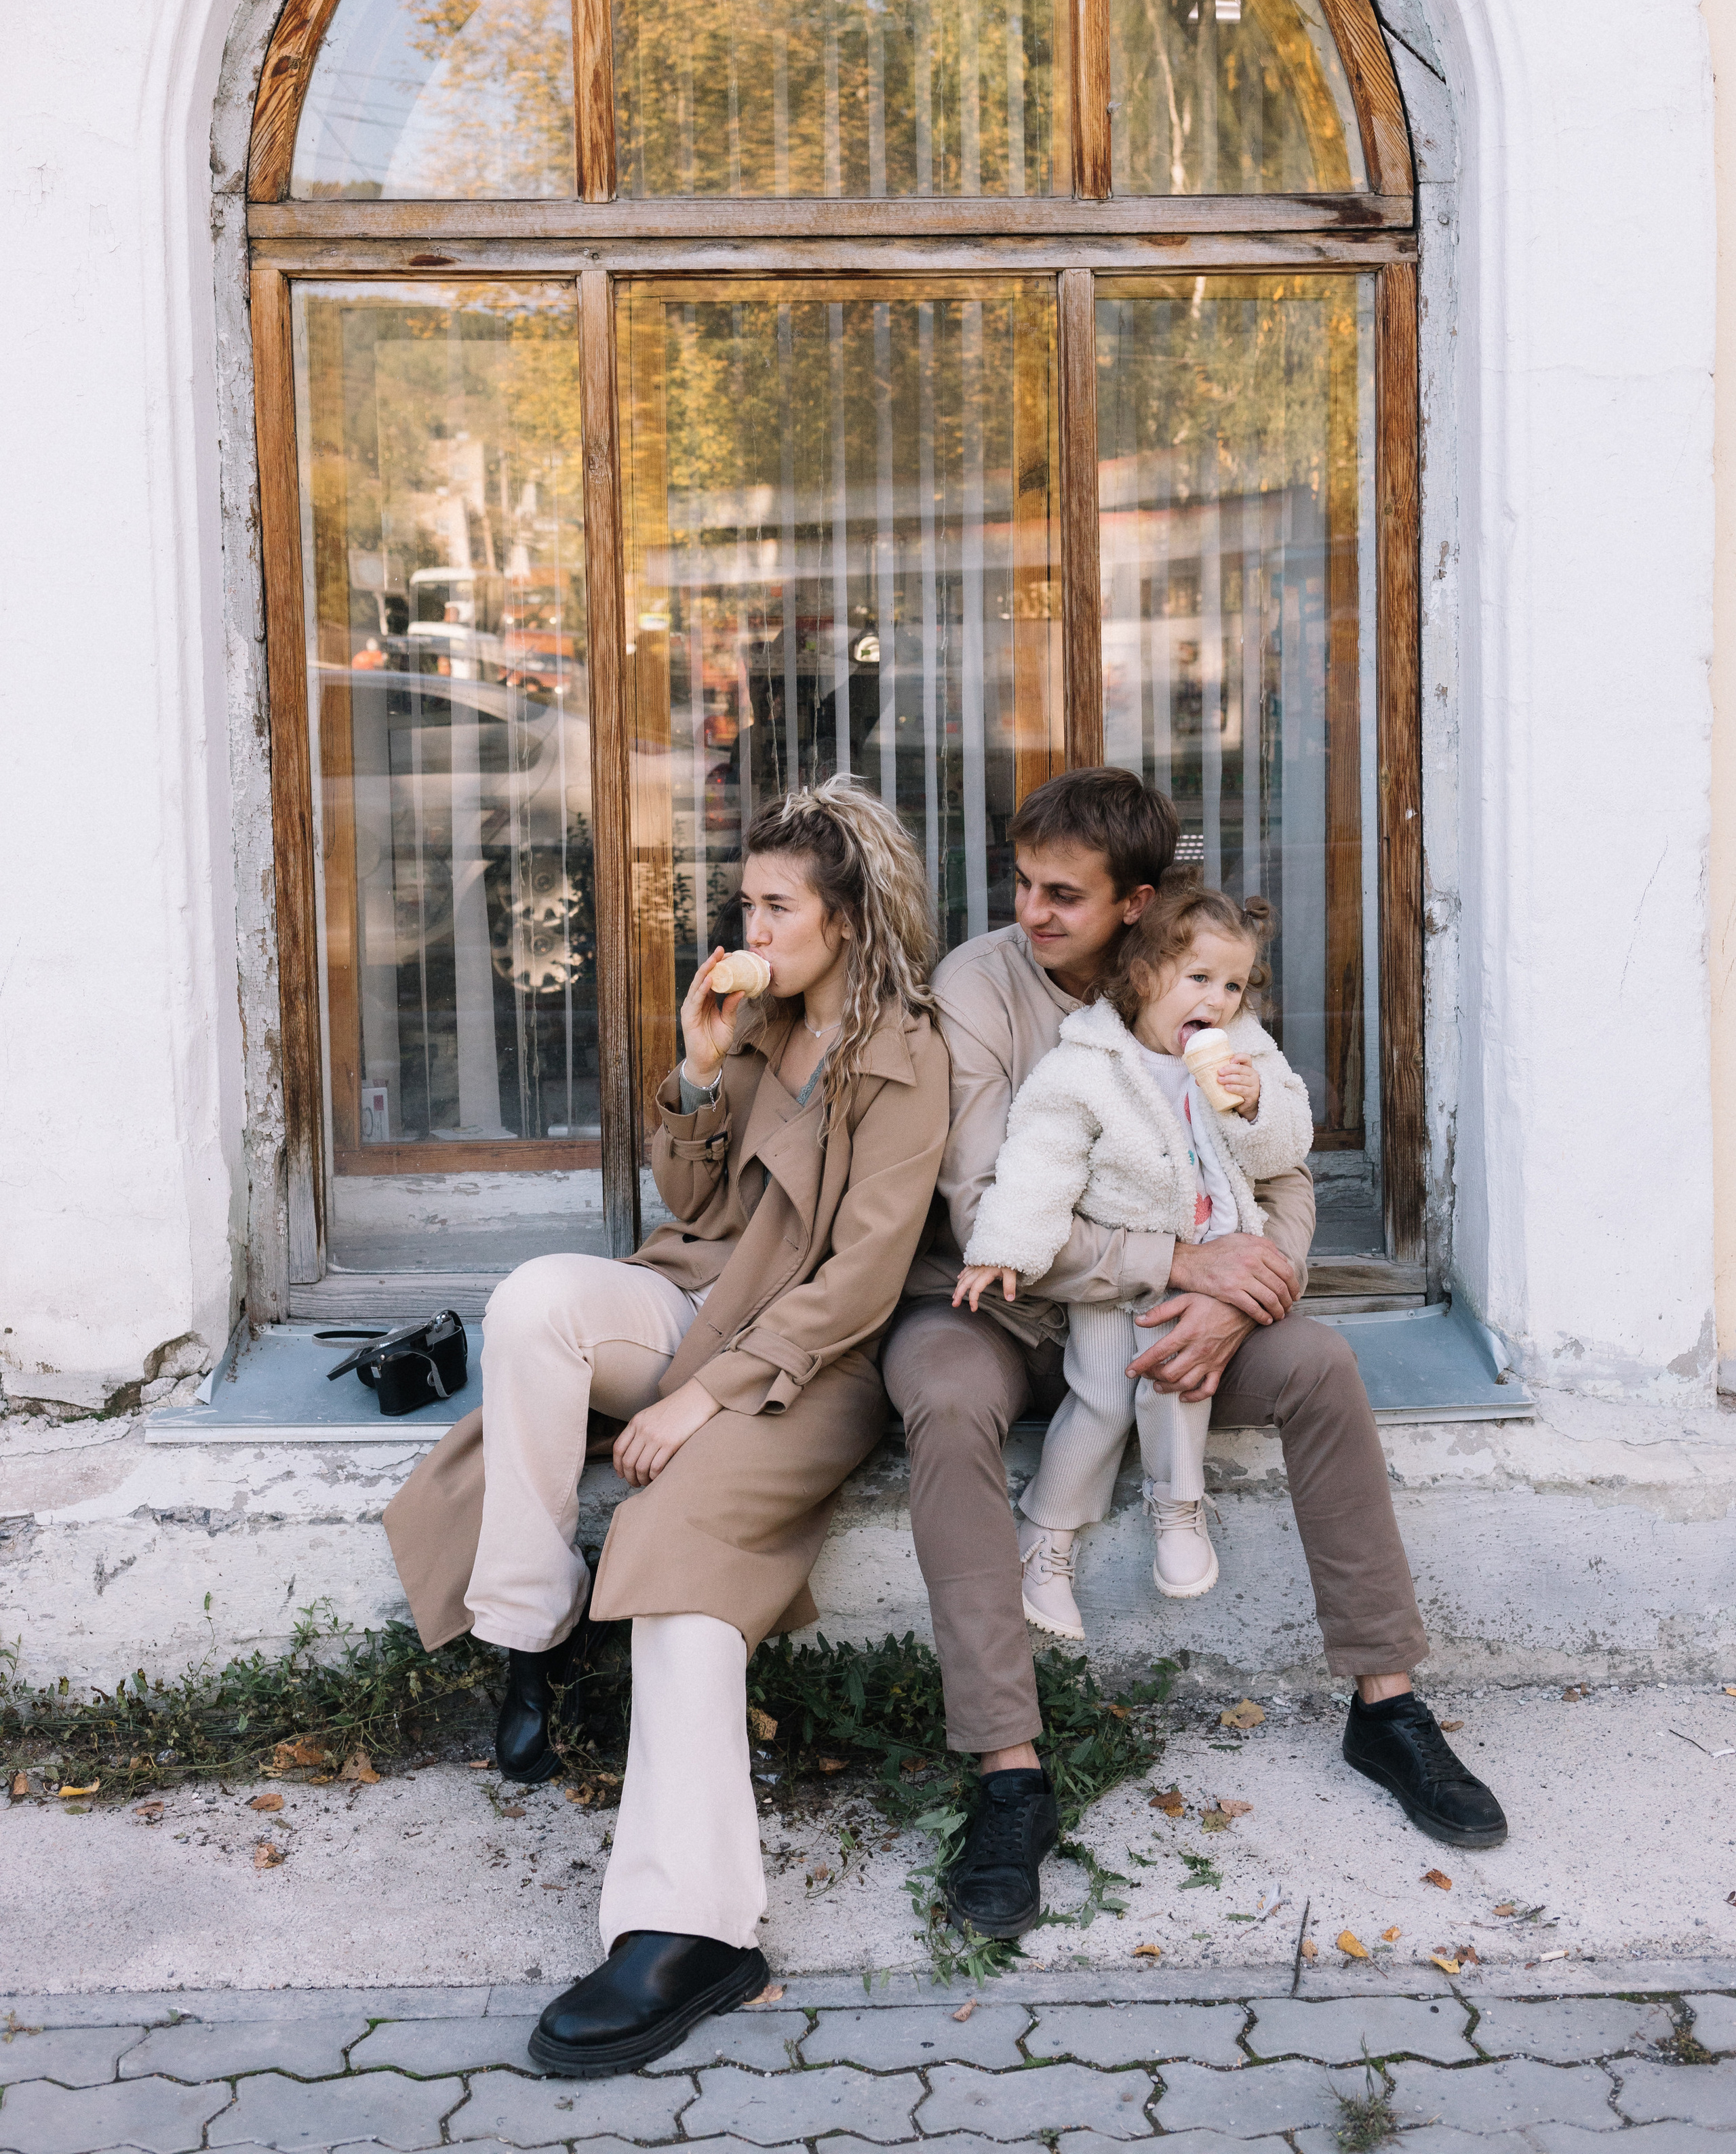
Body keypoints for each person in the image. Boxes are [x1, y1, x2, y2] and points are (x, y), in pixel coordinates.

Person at [882, 766, 1505, 1946]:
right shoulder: (980, 985)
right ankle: (1008, 1773)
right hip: (995, 1309)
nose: (1034, 911)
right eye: (1024, 885)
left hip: (1170, 1325)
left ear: (1140, 904)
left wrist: (1244, 1290)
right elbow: (980, 1208)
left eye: (1065, 893)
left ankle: (1388, 1704)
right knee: (948, 1401)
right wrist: (1181, 1262)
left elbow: (1280, 1171)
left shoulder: (1199, 980)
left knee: (1318, 1365)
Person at [383, 775, 948, 2075]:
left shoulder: (905, 1055)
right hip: (694, 1301)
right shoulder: (760, 1026)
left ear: (851, 919)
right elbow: (690, 1201)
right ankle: (528, 1631)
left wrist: (708, 1394)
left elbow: (861, 1282)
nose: (746, 921)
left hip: (808, 1365)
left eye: (774, 903)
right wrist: (697, 1065)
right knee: (533, 1303)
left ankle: (688, 1931)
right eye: (743, 897)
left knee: (683, 1544)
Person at [955, 884, 1314, 1635]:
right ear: (1145, 975)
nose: (1217, 1001)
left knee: (1177, 1378)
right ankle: (1044, 1542)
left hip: (1213, 1264)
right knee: (1105, 1399)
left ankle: (1177, 1509)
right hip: (1119, 1270)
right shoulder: (1087, 1063)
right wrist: (1001, 1249)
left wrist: (1254, 1108)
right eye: (1199, 980)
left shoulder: (1247, 1051)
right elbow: (1039, 1159)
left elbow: (1285, 1150)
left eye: (1233, 985)